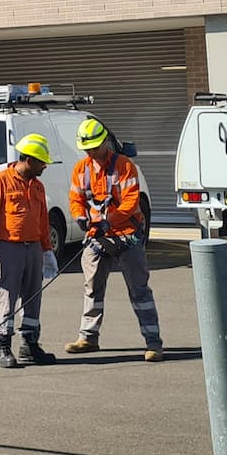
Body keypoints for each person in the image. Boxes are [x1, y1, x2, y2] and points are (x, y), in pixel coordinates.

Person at [63, 118, 163, 361]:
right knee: (92, 288)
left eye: (95, 148)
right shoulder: (81, 169)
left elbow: (131, 202)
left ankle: (153, 343)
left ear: (104, 143)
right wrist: (81, 219)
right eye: (87, 149)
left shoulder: (125, 166)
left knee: (139, 290)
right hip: (97, 236)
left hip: (127, 235)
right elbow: (76, 199)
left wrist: (110, 220)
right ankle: (88, 338)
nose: (91, 153)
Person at [0, 133, 59, 369]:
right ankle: (2, 345)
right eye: (42, 162)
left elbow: (42, 221)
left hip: (32, 248)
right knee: (6, 298)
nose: (44, 167)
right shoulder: (0, 181)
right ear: (29, 160)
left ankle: (30, 344)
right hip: (8, 247)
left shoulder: (38, 187)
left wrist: (47, 251)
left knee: (33, 297)